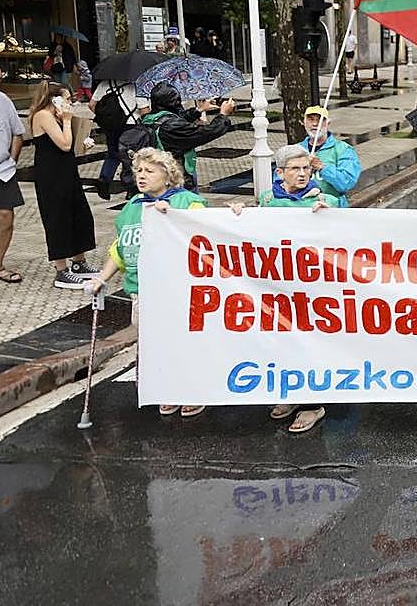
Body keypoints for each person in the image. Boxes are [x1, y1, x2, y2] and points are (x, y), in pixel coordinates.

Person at [82, 148, 206, 417]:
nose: (142, 176)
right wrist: (102, 278)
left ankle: (193, 389)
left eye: (150, 171)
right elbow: (120, 248)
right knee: (154, 344)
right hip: (142, 291)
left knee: (184, 343)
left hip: (179, 291)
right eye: (139, 171)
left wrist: (171, 216)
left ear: (168, 174)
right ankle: (167, 388)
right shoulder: (132, 207)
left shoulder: (188, 202)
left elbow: (207, 237)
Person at [234, 144, 338, 433]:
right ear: (279, 173)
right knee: (280, 342)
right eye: (295, 168)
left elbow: (345, 235)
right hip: (278, 288)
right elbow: (253, 232)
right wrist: (239, 214)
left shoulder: (325, 199)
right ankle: (291, 394)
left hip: (313, 290)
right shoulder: (268, 200)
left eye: (306, 168)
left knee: (308, 344)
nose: (303, 174)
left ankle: (312, 405)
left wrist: (332, 214)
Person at [27, 82, 97, 288]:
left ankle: (79, 261)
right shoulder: (43, 116)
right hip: (51, 175)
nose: (69, 103)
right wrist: (67, 121)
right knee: (58, 217)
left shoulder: (56, 116)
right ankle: (61, 269)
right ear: (53, 99)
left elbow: (70, 145)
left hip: (67, 171)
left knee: (78, 212)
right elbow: (64, 144)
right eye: (66, 99)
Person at [135, 81, 234, 191]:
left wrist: (199, 110)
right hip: (176, 176)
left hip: (158, 173)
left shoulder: (150, 118)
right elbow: (208, 132)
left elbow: (176, 119)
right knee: (187, 203)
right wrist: (223, 115)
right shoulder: (172, 126)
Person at [0, 62, 26, 283]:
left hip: (1, 169)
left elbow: (18, 133)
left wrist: (12, 159)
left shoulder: (3, 101)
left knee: (5, 216)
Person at [299, 106, 361, 206]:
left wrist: (322, 167)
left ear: (328, 123)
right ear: (304, 122)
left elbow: (346, 183)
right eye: (310, 119)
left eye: (320, 120)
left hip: (332, 209)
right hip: (301, 208)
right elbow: (281, 180)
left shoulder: (344, 150)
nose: (315, 124)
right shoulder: (295, 150)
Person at [92, 82, 145, 199]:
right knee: (131, 157)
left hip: (111, 126)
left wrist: (106, 118)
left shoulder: (104, 84)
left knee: (112, 154)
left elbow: (91, 105)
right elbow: (144, 110)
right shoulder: (136, 86)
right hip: (131, 126)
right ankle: (131, 188)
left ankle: (104, 180)